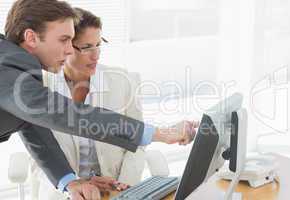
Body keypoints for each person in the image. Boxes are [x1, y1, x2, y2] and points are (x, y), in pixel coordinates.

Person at [0, 0, 197, 199]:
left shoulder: (19, 70)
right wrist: (161, 133)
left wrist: (70, 182)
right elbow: (68, 114)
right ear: (31, 38)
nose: (69, 50)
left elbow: (35, 130)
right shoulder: (7, 71)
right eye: (63, 39)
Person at [33, 7, 164, 199]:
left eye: (98, 44)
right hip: (66, 193)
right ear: (66, 47)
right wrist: (75, 184)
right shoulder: (41, 88)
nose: (96, 55)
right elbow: (38, 157)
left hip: (115, 189)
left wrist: (124, 186)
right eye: (86, 47)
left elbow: (137, 144)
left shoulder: (122, 81)